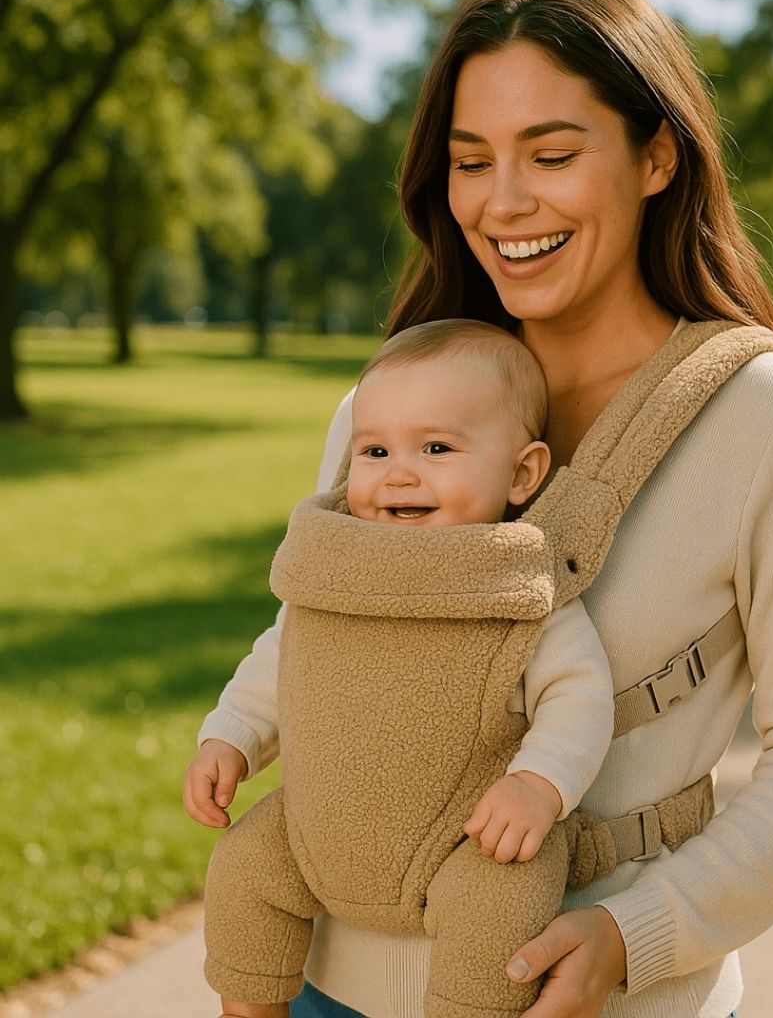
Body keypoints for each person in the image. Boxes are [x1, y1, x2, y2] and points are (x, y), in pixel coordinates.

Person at [187, 0, 773, 1018]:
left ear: (657, 155)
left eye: (552, 155)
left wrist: (630, 936)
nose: (504, 202)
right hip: (326, 989)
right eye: (472, 162)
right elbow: (316, 642)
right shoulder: (385, 415)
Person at [188, 319, 616, 1018]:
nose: (399, 472)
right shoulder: (338, 565)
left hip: (462, 841)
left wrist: (538, 786)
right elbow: (280, 660)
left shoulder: (513, 587)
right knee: (244, 868)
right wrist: (230, 738)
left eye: (438, 448)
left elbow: (580, 695)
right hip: (316, 830)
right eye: (376, 450)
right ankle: (250, 1008)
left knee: (504, 899)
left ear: (522, 472)